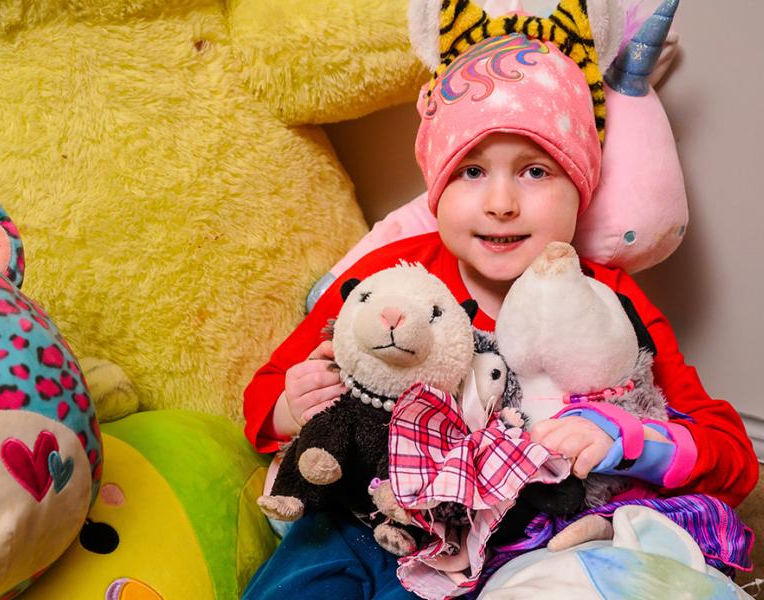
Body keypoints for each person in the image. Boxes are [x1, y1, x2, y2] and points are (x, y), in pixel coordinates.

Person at [241, 3, 758, 599]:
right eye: (471, 171)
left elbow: (732, 454)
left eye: (536, 171)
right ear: (435, 186)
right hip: (358, 522)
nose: (502, 202)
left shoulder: (610, 302)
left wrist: (627, 439)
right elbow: (261, 397)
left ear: (580, 188)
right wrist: (290, 405)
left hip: (502, 552)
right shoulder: (389, 274)